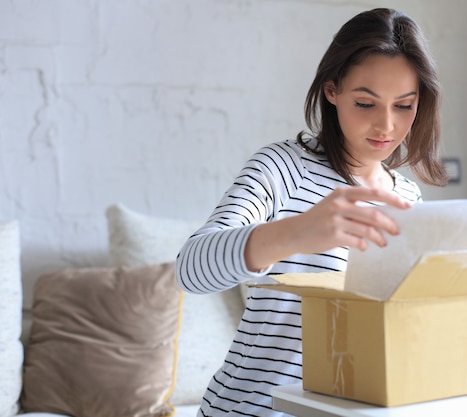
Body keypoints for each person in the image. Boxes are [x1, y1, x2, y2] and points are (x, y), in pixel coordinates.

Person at [175, 7, 447, 417]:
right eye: (365, 103)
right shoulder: (282, 169)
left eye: (404, 106)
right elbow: (190, 270)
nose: (386, 126)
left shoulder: (407, 197)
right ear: (332, 90)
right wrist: (298, 232)